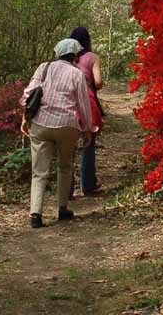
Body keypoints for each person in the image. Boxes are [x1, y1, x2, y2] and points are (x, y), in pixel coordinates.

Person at [19, 38, 94, 228]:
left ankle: (35, 214)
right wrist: (87, 129)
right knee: (65, 166)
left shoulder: (43, 68)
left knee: (39, 172)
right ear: (75, 56)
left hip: (41, 123)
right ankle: (62, 209)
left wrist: (25, 119)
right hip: (67, 125)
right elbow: (84, 105)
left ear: (58, 53)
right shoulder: (77, 74)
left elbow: (28, 95)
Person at [70, 26, 105, 196]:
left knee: (67, 148)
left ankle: (66, 188)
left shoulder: (67, 59)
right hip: (87, 102)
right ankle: (88, 184)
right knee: (88, 142)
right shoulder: (92, 57)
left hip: (67, 104)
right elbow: (98, 82)